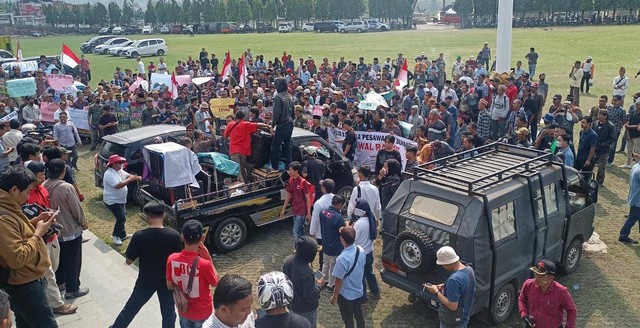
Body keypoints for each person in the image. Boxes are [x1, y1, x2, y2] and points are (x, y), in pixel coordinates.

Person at [0, 166, 58, 327]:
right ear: (14, 189)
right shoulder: (3, 217)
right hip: (25, 286)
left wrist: (34, 222)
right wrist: (38, 233)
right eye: (26, 192)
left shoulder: (8, 206)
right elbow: (17, 258)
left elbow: (17, 234)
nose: (27, 197)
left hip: (25, 283)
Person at [110, 201, 182, 328]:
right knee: (168, 313)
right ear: (164, 215)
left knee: (131, 308)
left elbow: (129, 261)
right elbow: (179, 261)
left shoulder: (139, 236)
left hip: (145, 281)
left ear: (148, 216)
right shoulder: (174, 236)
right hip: (167, 282)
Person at [24, 161, 78, 315]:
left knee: (53, 267)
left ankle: (45, 294)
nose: (44, 177)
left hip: (52, 236)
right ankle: (57, 305)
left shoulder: (43, 189)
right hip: (38, 238)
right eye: (41, 175)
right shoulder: (26, 195)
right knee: (48, 272)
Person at [43, 159, 89, 299]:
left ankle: (61, 282)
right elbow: (76, 209)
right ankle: (73, 288)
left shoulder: (43, 186)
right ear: (63, 172)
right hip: (70, 230)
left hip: (54, 232)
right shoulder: (67, 187)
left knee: (59, 259)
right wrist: (84, 222)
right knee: (73, 261)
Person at [166, 220, 219, 328]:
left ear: (182, 237)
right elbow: (215, 283)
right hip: (203, 312)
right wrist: (209, 259)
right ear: (202, 238)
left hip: (183, 309)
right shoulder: (204, 264)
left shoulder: (172, 259)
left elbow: (169, 285)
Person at [424, 246, 476, 328]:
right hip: (464, 316)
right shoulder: (469, 270)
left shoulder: (454, 280)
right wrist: (446, 286)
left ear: (447, 263)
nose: (442, 267)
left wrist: (436, 292)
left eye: (442, 265)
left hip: (452, 321)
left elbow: (452, 306)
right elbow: (464, 288)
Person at [518, 260, 577, 328]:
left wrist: (569, 326)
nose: (536, 278)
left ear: (550, 277)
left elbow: (571, 310)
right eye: (536, 274)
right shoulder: (528, 284)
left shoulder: (561, 291)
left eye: (540, 276)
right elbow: (521, 299)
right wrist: (524, 314)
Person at [330, 225, 366, 328]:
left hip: (346, 294)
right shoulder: (361, 250)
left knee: (348, 319)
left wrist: (334, 296)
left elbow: (338, 280)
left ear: (342, 240)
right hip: (358, 290)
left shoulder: (342, 259)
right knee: (358, 314)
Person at [283, 237, 323, 328]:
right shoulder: (307, 273)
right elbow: (311, 297)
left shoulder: (288, 261)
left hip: (293, 306)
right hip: (306, 310)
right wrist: (319, 285)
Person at [103, 154, 142, 246]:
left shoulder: (120, 171)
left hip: (120, 199)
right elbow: (118, 185)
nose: (121, 164)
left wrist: (136, 177)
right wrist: (130, 179)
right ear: (113, 164)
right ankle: (115, 235)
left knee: (123, 215)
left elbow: (129, 176)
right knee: (121, 218)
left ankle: (122, 234)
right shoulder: (109, 174)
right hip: (112, 200)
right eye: (119, 163)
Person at [225, 110, 269, 185]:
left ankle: (243, 186)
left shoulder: (230, 125)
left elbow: (225, 136)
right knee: (242, 168)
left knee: (238, 170)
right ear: (244, 117)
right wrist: (268, 126)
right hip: (244, 151)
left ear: (236, 116)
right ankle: (246, 184)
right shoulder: (246, 124)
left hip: (233, 150)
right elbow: (258, 125)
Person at [350, 199, 380, 302]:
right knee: (369, 273)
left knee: (360, 277)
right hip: (369, 253)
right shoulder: (371, 219)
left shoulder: (359, 224)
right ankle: (375, 291)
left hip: (360, 254)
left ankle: (362, 297)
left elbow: (353, 239)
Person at [280, 161, 313, 244]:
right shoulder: (291, 180)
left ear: (296, 171)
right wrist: (283, 209)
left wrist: (308, 213)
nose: (289, 171)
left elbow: (307, 198)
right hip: (294, 209)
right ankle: (303, 246)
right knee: (300, 230)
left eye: (290, 170)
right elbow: (288, 195)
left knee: (295, 231)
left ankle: (298, 249)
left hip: (301, 211)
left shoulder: (303, 182)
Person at [319, 195, 346, 294]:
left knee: (325, 264)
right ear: (339, 204)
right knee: (333, 266)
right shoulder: (338, 218)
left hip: (325, 243)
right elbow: (343, 231)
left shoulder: (322, 212)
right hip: (335, 246)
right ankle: (331, 285)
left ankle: (322, 281)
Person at [310, 179, 335, 269]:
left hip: (321, 233)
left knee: (322, 255)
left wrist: (312, 232)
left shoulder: (319, 203)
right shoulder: (335, 198)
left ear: (323, 188)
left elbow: (315, 219)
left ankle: (322, 274)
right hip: (333, 231)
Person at [271, 77, 294, 171]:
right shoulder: (289, 96)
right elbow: (293, 113)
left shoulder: (278, 97)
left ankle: (274, 167)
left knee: (275, 147)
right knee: (288, 146)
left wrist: (272, 125)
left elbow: (277, 114)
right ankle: (289, 167)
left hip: (282, 124)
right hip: (290, 123)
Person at [619, 152, 640, 244]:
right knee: (632, 218)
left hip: (635, 197)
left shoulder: (636, 166)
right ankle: (623, 235)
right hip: (638, 200)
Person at [593, 110, 617, 184]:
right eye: (598, 115)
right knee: (591, 163)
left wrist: (604, 144)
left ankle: (599, 181)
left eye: (600, 115)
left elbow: (613, 138)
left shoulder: (610, 126)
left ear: (605, 116)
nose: (598, 117)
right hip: (594, 148)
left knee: (601, 166)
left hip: (604, 150)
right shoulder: (595, 123)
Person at [621, 101, 640, 169]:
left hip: (637, 135)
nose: (636, 105)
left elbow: (638, 127)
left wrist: (628, 126)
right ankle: (628, 163)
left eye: (638, 104)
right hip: (630, 134)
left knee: (637, 151)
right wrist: (628, 133)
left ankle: (636, 165)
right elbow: (628, 122)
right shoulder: (633, 112)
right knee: (629, 149)